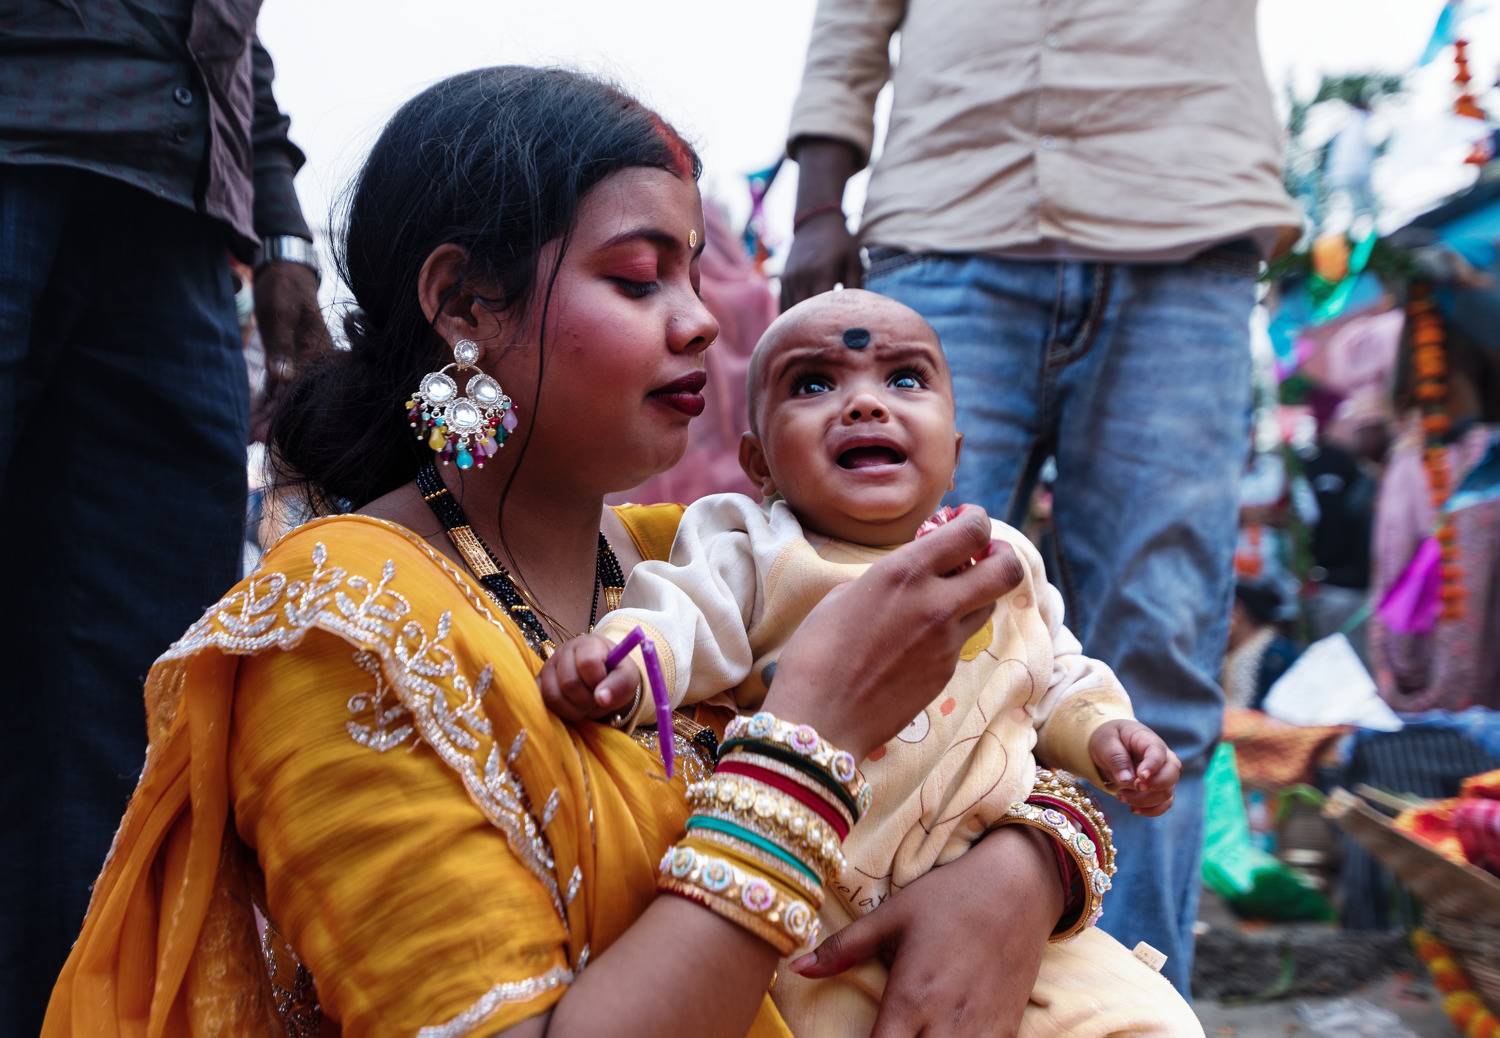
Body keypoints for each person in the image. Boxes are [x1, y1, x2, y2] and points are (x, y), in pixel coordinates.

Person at [43, 67, 1160, 1037]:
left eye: (693, 276)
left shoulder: (704, 555)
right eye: (638, 279)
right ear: (464, 305)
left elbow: (999, 721)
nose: (703, 322)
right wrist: (809, 739)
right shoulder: (344, 628)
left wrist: (1021, 870)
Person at [779, 0, 1303, 990]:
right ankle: (859, 993)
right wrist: (815, 207)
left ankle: (1127, 1002)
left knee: (1156, 669)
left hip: (1183, 217)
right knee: (885, 620)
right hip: (950, 212)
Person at [538, 289, 1196, 1035]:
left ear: (954, 451)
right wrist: (620, 665)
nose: (864, 404)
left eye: (905, 379)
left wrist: (1106, 732)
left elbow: (1058, 679)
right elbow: (678, 618)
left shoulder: (1002, 561)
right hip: (822, 914)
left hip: (1001, 902)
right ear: (759, 462)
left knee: (1152, 1021)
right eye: (813, 383)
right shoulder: (751, 548)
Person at [0, 4, 324, 1028]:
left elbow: (225, 33)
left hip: (179, 221)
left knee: (137, 708)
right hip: (19, 144)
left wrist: (279, 224)